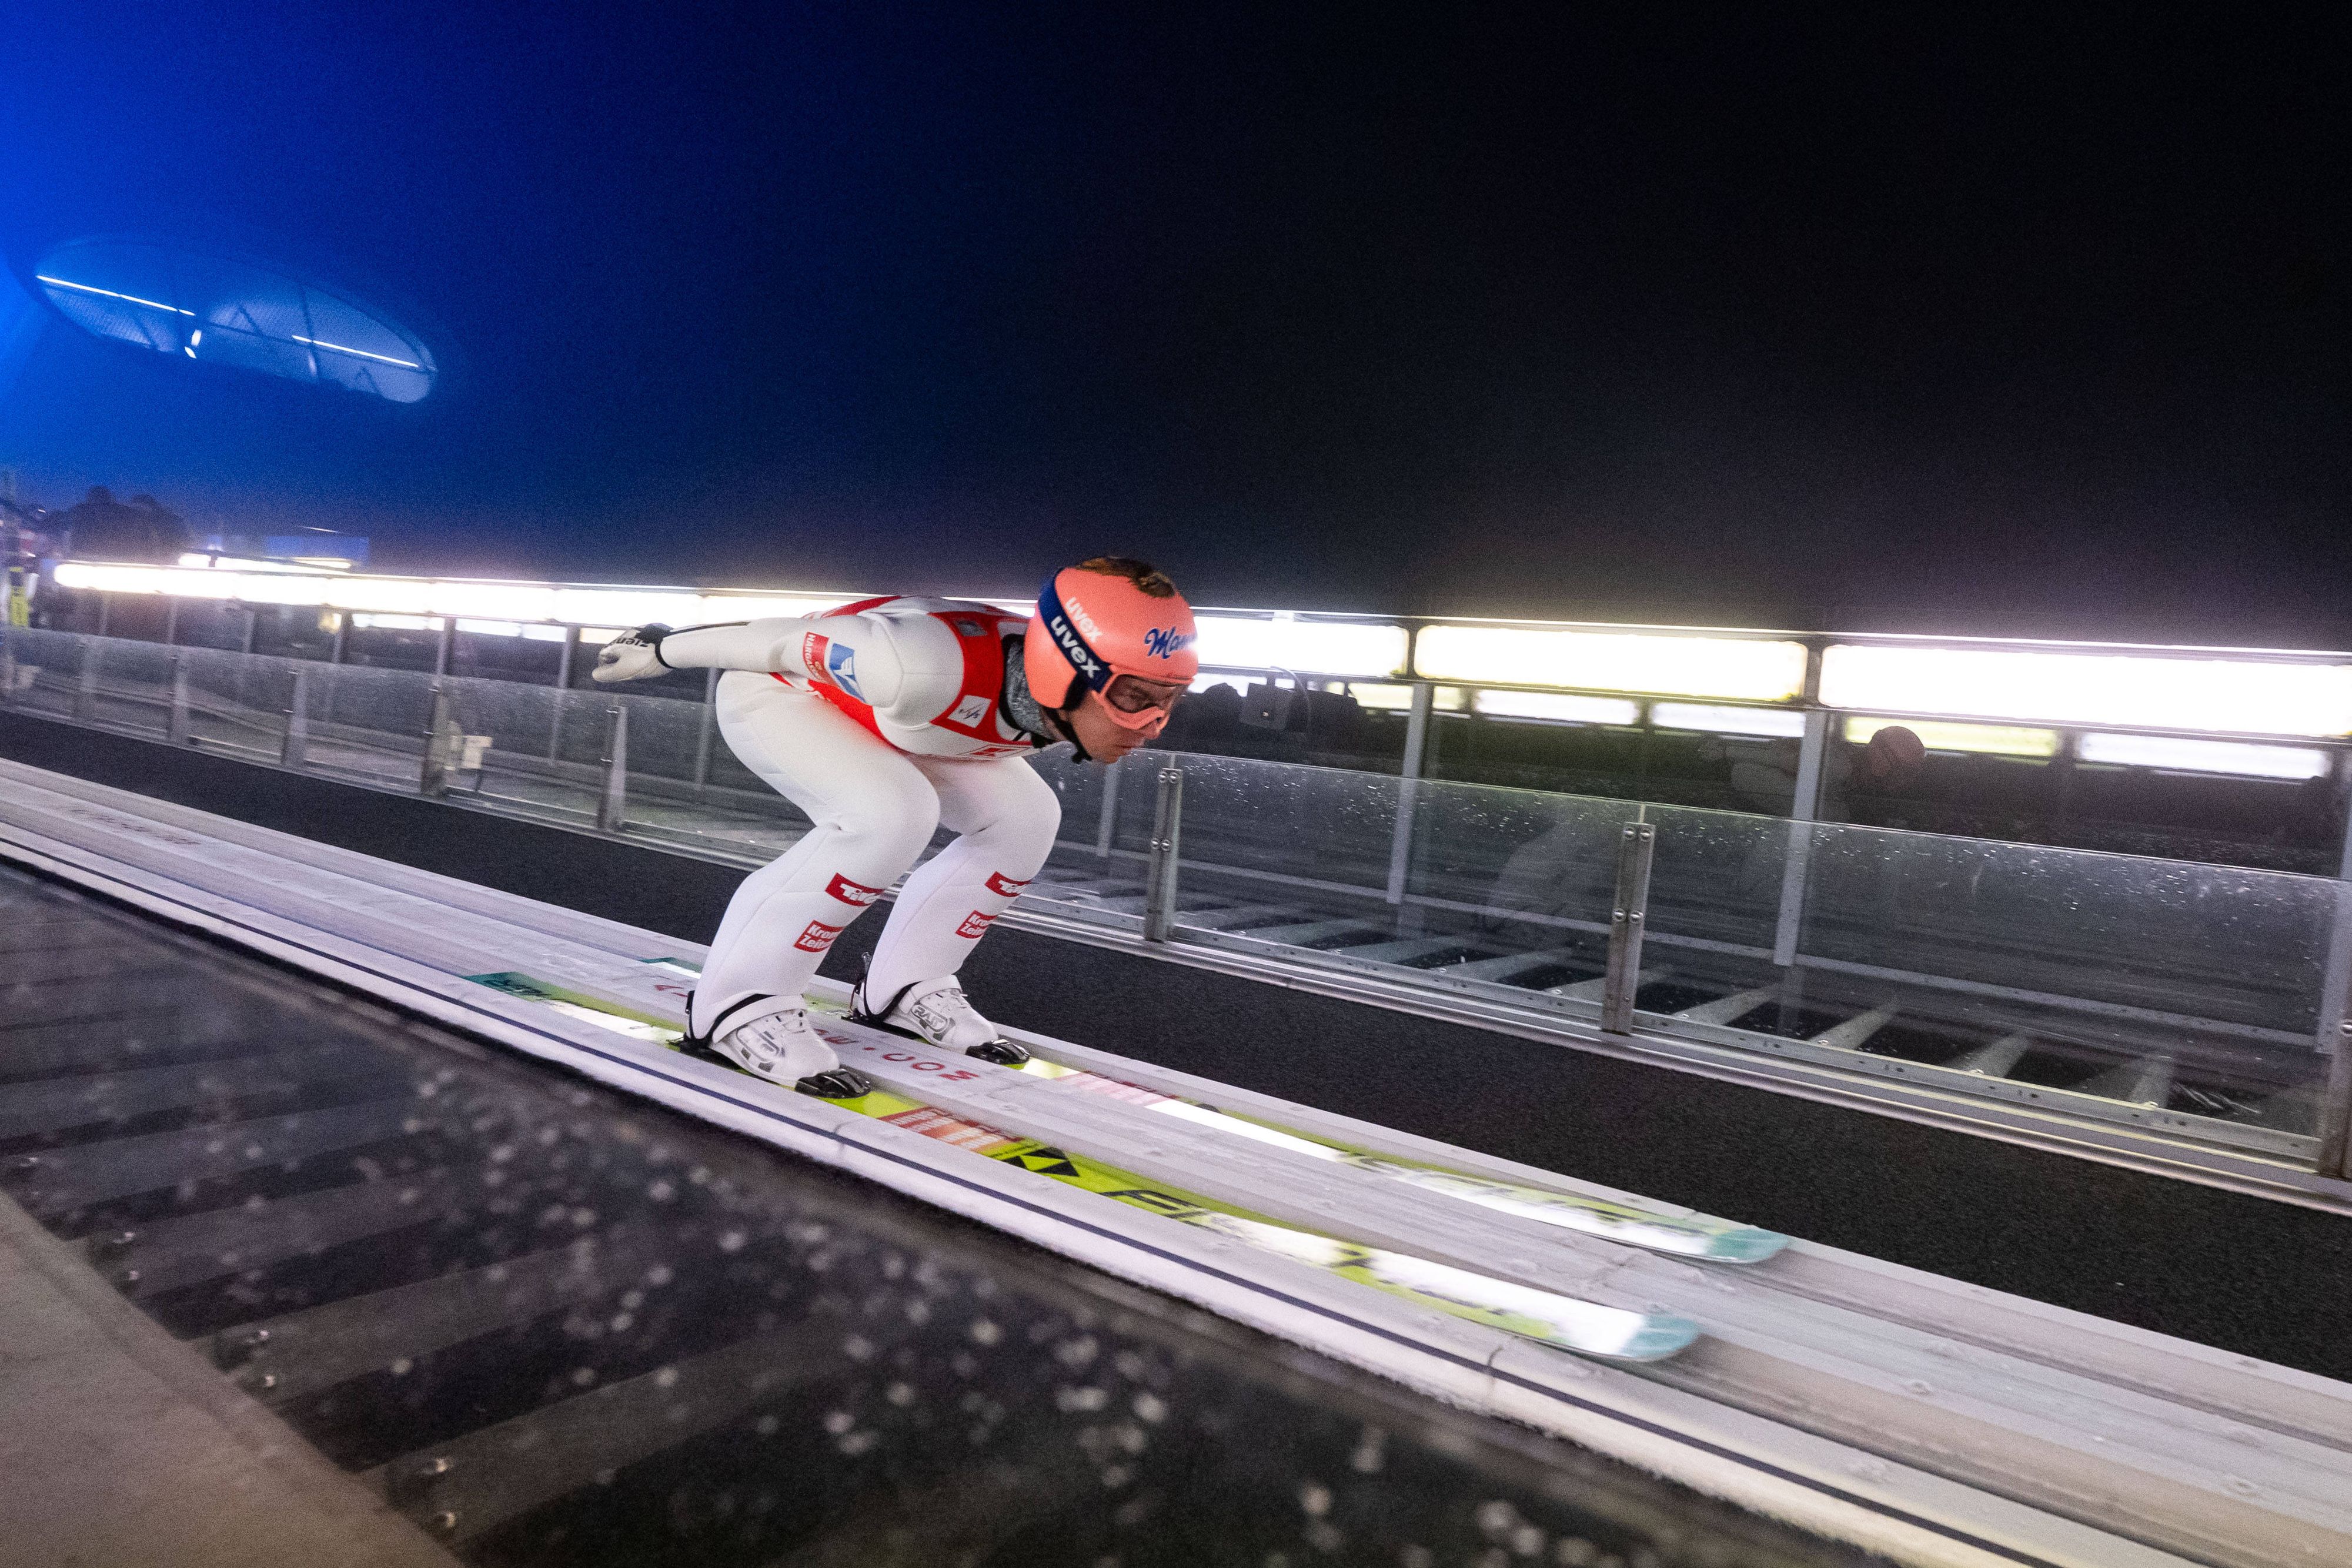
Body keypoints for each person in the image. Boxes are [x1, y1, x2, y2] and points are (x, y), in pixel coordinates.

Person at [592, 557, 1198, 1096]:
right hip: (782, 695)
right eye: (1134, 697)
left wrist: (1124, 697)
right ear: (1061, 667)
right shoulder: (920, 666)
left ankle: (904, 989)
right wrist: (662, 647)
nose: (1152, 724)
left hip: (907, 722)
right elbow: (778, 642)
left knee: (1026, 821)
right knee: (889, 816)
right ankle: (737, 1005)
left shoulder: (1045, 694)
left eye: (1169, 698)